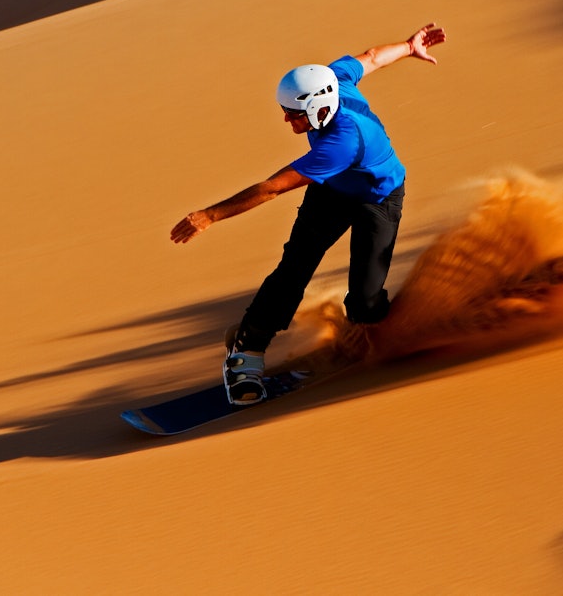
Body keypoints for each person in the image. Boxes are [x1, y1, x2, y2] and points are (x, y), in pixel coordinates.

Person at [170, 23, 448, 404]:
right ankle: (246, 350)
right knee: (294, 269)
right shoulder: (331, 81)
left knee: (366, 305)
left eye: (293, 114)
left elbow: (272, 187)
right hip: (333, 192)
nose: (287, 121)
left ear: (318, 107)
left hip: (379, 199)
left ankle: (373, 328)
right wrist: (407, 46)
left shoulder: (341, 142)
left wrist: (210, 215)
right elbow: (369, 59)